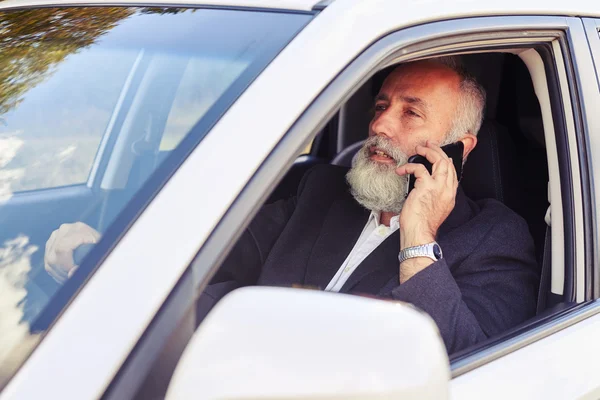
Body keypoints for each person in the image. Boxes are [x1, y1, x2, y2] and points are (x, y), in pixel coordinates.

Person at [45, 57, 539, 354]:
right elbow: (208, 261)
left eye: (411, 113)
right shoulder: (322, 190)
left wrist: (418, 235)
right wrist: (111, 261)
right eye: (382, 106)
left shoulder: (495, 238)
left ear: (459, 149)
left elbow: (467, 360)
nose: (381, 126)